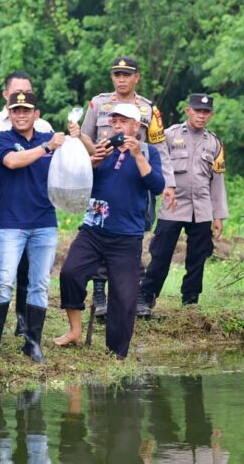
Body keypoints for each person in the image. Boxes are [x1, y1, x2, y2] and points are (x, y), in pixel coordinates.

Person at [0, 92, 91, 363]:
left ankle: (32, 343)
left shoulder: (50, 139)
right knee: (3, 280)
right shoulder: (3, 139)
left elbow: (82, 160)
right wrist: (47, 148)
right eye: (16, 110)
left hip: (44, 222)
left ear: (37, 114)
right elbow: (12, 161)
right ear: (9, 113)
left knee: (40, 284)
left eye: (26, 110)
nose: (20, 115)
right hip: (11, 223)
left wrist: (77, 137)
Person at [58, 103, 165, 358]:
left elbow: (157, 186)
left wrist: (137, 156)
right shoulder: (103, 148)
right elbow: (80, 183)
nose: (117, 125)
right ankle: (74, 330)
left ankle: (116, 353)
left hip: (127, 236)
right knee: (70, 272)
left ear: (136, 126)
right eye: (114, 120)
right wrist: (93, 163)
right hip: (93, 230)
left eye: (123, 121)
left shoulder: (148, 152)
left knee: (124, 297)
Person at [81, 55, 175, 317]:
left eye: (126, 75)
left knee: (134, 233)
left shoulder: (148, 109)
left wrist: (169, 183)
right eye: (117, 75)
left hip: (137, 180)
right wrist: (92, 162)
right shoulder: (99, 103)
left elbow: (159, 147)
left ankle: (134, 293)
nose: (121, 79)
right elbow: (84, 138)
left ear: (136, 78)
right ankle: (99, 293)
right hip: (104, 178)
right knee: (99, 229)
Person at [0, 71, 53, 333]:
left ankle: (23, 320)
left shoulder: (45, 128)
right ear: (5, 94)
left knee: (27, 268)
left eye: (27, 92)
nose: (21, 97)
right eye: (16, 92)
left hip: (32, 208)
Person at [138, 94, 228, 312]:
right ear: (188, 111)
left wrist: (218, 215)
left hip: (202, 208)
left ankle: (190, 301)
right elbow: (156, 164)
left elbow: (217, 181)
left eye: (206, 112)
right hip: (173, 205)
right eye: (197, 111)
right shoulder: (170, 135)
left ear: (211, 115)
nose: (201, 115)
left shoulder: (215, 143)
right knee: (161, 254)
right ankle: (146, 297)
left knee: (198, 257)